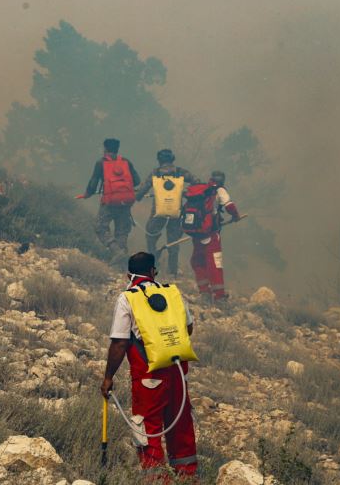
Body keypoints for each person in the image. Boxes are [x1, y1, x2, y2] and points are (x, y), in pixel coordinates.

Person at [101, 252, 197, 480]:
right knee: (181, 427)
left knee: (148, 430)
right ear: (153, 272)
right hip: (177, 374)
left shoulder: (128, 298)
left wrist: (108, 377)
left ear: (128, 275)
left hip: (148, 377)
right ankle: (188, 478)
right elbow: (188, 329)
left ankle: (156, 480)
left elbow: (120, 342)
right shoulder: (172, 293)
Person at [135, 149, 198, 277]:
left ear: (159, 160)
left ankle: (154, 265)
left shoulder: (155, 173)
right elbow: (196, 181)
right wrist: (184, 192)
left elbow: (142, 190)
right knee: (173, 242)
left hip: (158, 213)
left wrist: (137, 196)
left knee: (150, 236)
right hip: (176, 212)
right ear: (172, 159)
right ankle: (172, 272)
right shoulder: (180, 172)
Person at [78, 138, 140, 262]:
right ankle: (122, 260)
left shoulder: (101, 163)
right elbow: (137, 180)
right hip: (125, 202)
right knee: (122, 231)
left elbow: (93, 183)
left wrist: (87, 194)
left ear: (105, 149)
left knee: (100, 226)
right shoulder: (126, 162)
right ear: (117, 149)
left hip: (109, 203)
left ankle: (116, 250)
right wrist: (123, 189)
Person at [188, 170, 241, 303]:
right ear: (222, 180)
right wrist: (236, 216)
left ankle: (205, 292)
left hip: (197, 234)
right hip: (211, 234)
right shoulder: (219, 190)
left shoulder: (201, 191)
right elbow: (230, 206)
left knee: (198, 262)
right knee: (215, 264)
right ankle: (219, 296)